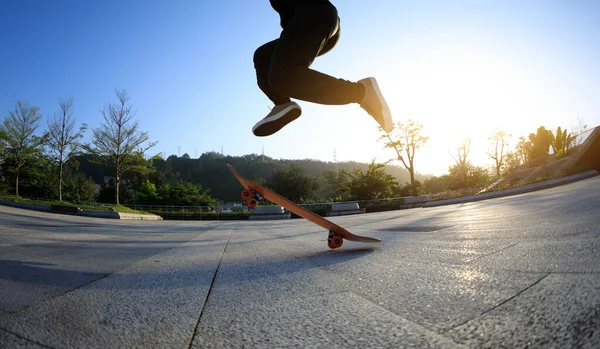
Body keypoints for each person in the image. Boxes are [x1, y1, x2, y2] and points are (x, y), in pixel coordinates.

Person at [252, 0, 393, 137]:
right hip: (317, 21)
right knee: (264, 56)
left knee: (283, 75)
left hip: (313, 15)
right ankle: (282, 103)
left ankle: (360, 91)